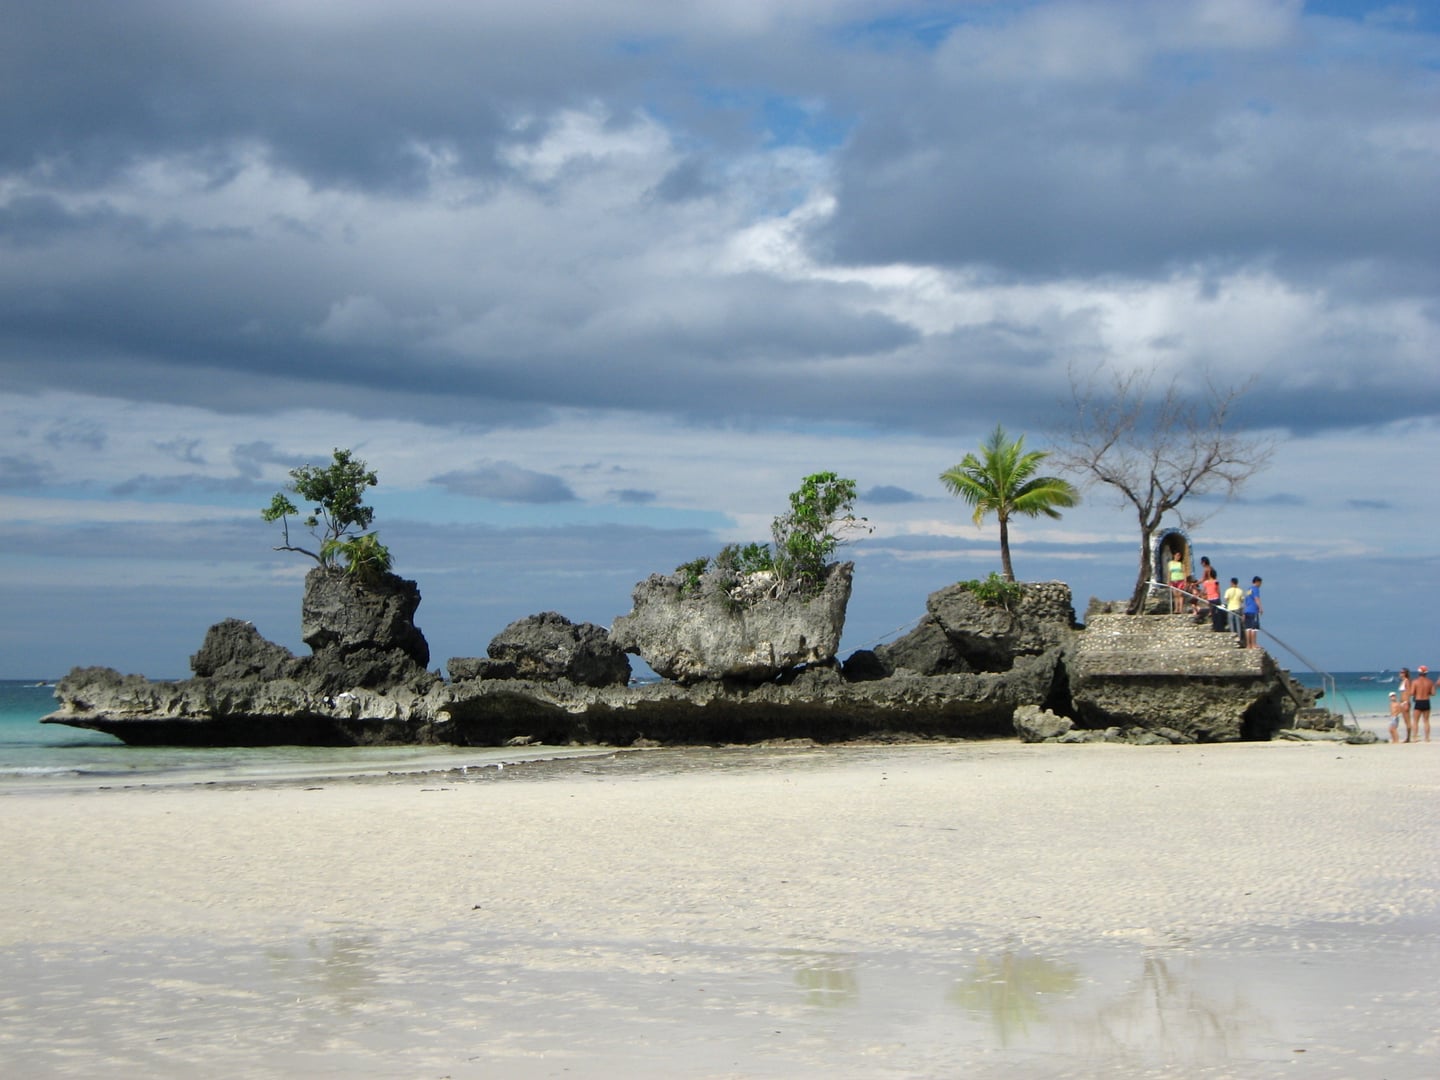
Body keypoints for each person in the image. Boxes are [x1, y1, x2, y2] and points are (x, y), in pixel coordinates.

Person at [1411, 665, 1434, 742]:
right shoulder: (1430, 682)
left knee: (1415, 721)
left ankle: (1415, 738)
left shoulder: (1415, 681)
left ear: (1419, 672)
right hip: (1426, 701)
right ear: (1426, 673)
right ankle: (1427, 738)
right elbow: (1433, 693)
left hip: (1418, 701)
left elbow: (1411, 693)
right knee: (1426, 721)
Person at [1242, 575, 1263, 649]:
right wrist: (1260, 608)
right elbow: (1256, 598)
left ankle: (1248, 645)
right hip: (1253, 610)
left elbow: (1246, 601)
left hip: (1247, 610)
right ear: (1257, 582)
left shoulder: (1248, 590)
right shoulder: (1256, 589)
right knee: (1254, 628)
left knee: (1248, 628)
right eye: (1260, 583)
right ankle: (1254, 644)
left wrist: (1244, 612)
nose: (1260, 585)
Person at [1201, 566, 1224, 632]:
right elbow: (1218, 591)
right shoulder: (1216, 582)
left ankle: (1215, 627)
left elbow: (1203, 591)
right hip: (1216, 598)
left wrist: (1201, 595)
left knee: (1213, 614)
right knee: (1218, 614)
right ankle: (1220, 628)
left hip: (1210, 599)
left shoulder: (1206, 582)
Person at [1224, 577, 1245, 646]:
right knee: (1238, 623)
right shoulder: (1240, 591)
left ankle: (1233, 636)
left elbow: (1226, 599)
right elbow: (1242, 600)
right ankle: (1239, 637)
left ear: (1231, 583)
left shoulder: (1228, 590)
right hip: (1238, 608)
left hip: (1230, 608)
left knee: (1231, 623)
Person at [1397, 667, 1413, 742]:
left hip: (1405, 702)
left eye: (1402, 672)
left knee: (1407, 721)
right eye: (1400, 672)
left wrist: (1406, 702)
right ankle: (1408, 737)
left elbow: (1409, 692)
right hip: (1402, 703)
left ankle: (1408, 738)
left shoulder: (1407, 681)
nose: (1400, 673)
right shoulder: (1403, 681)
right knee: (1405, 721)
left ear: (1405, 673)